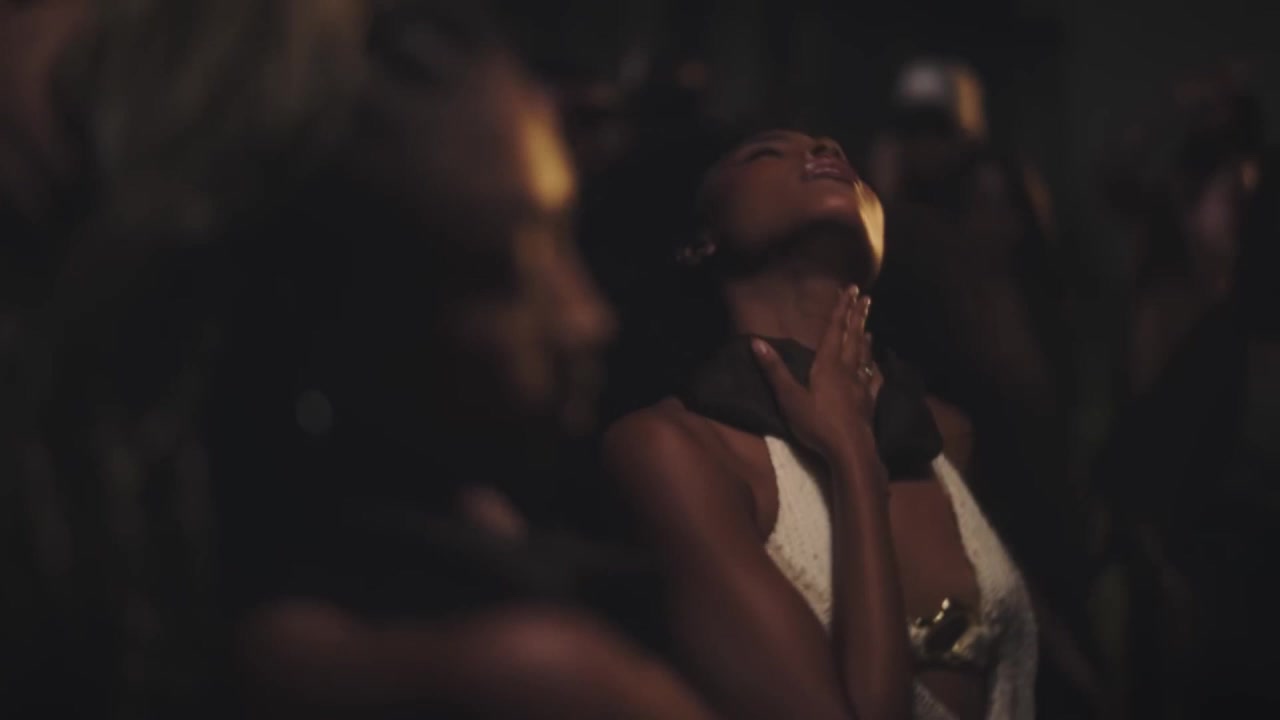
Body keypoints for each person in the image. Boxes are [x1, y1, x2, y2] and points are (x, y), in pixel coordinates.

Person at [206, 3, 715, 718]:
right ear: (342, 307)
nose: (588, 318)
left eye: (565, 237)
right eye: (505, 273)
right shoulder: (529, 674)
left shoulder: (448, 536)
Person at [604, 129, 1038, 720]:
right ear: (700, 241)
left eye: (834, 149)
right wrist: (852, 456)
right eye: (766, 151)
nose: (825, 149)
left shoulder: (948, 435)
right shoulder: (672, 449)